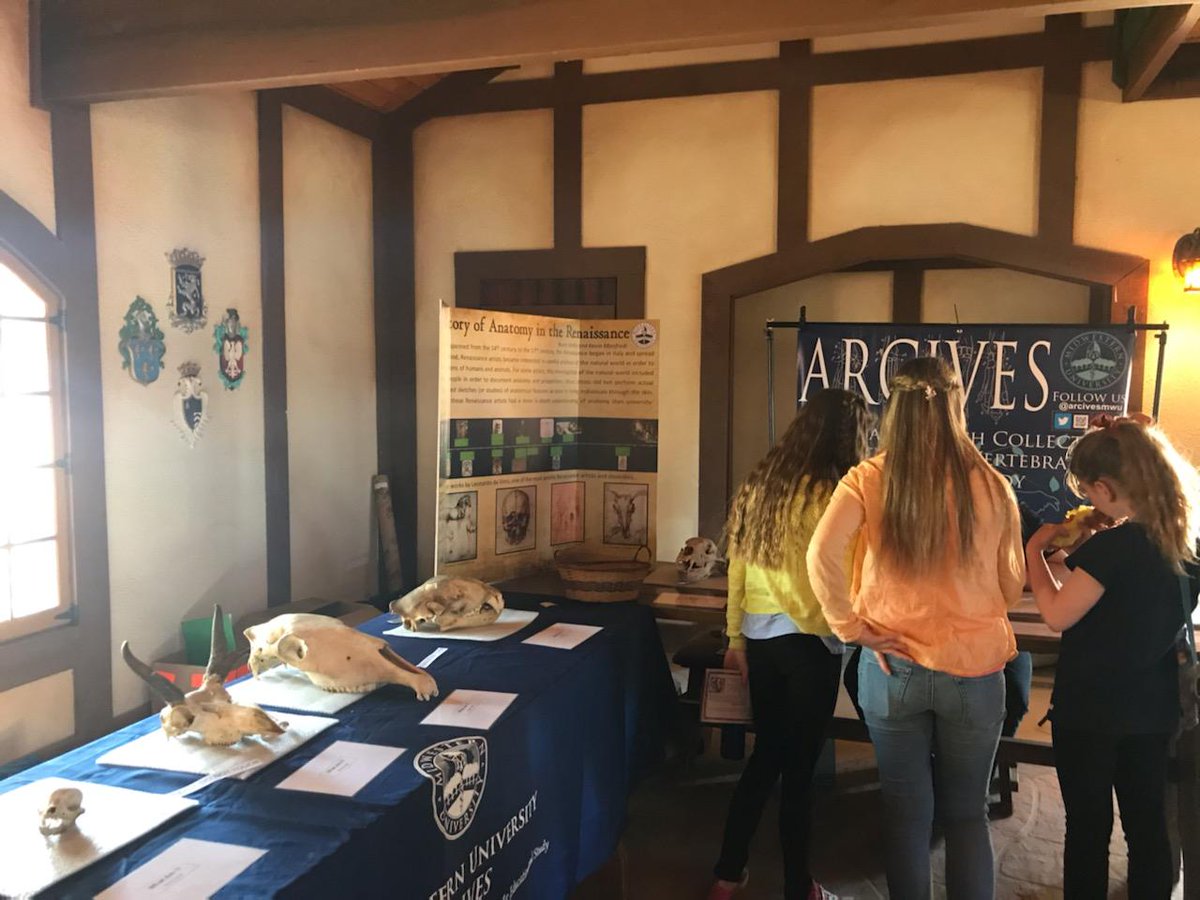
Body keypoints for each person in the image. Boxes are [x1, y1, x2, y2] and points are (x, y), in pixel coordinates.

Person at [807, 356, 1025, 900]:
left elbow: (821, 557)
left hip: (892, 663)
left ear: (893, 411)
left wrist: (851, 627)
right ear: (956, 405)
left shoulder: (868, 478)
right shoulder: (994, 485)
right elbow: (1011, 587)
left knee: (905, 814)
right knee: (967, 816)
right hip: (976, 670)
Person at [1025, 416, 1200, 899]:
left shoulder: (1113, 548)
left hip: (1091, 711)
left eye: (1088, 489)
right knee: (1146, 826)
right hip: (1153, 709)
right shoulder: (1185, 544)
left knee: (1088, 827)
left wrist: (1034, 553)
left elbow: (1058, 613)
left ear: (1103, 487)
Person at [708, 388, 872, 900]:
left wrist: (735, 636)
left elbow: (737, 566)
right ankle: (799, 887)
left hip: (760, 637)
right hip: (815, 642)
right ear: (851, 436)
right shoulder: (841, 493)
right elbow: (861, 572)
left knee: (766, 759)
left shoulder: (762, 486)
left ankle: (726, 876)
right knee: (799, 773)